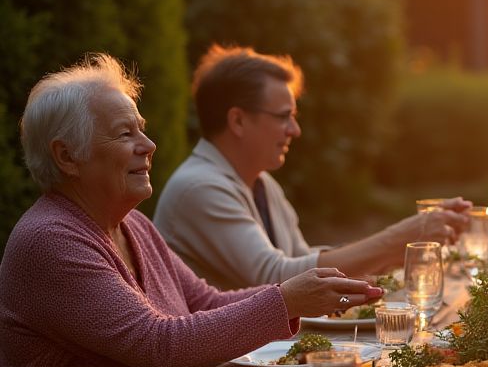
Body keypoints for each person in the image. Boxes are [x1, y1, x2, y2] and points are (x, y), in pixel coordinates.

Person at [0, 55, 382, 367]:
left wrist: (306, 290)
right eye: (126, 134)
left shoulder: (131, 225)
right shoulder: (50, 242)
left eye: (141, 129)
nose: (149, 144)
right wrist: (287, 299)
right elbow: (160, 346)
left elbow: (205, 301)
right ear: (67, 156)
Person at [154, 45, 470, 290]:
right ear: (237, 120)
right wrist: (398, 237)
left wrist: (397, 252)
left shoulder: (260, 182)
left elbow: (301, 261)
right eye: (282, 116)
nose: (295, 130)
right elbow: (278, 279)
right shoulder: (200, 188)